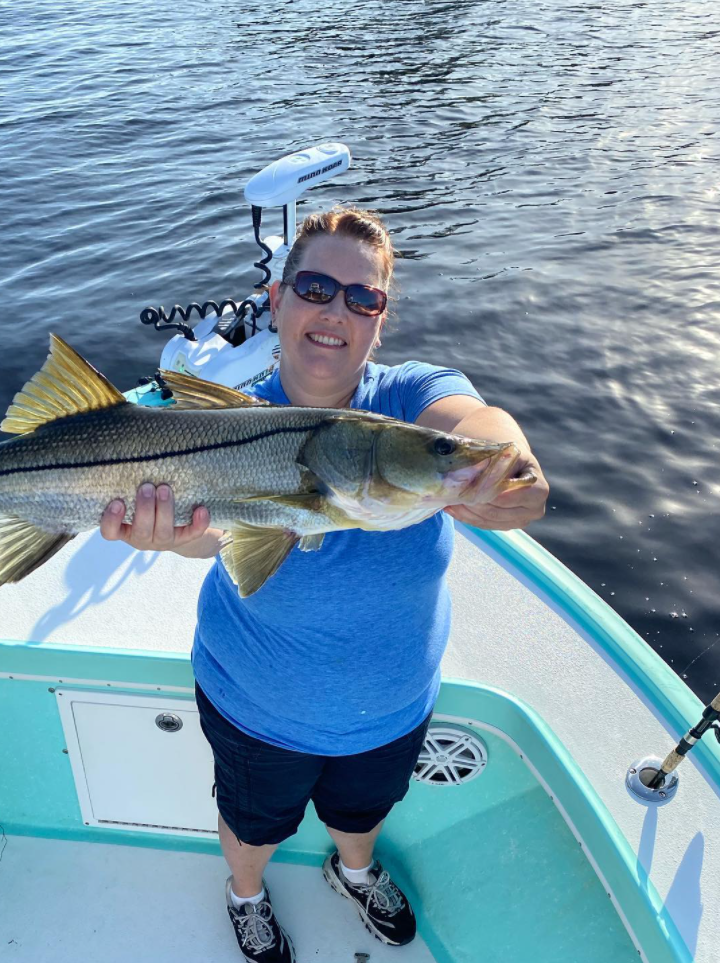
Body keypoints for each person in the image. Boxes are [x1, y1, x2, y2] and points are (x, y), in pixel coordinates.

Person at [100, 207, 549, 962]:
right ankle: (244, 895)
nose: (335, 310)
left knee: (361, 813)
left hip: (392, 704)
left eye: (361, 297)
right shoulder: (231, 423)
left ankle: (355, 870)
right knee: (252, 826)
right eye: (314, 287)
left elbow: (479, 423)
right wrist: (172, 540)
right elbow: (217, 535)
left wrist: (507, 468)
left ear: (380, 319)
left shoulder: (408, 400)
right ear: (276, 302)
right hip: (255, 705)